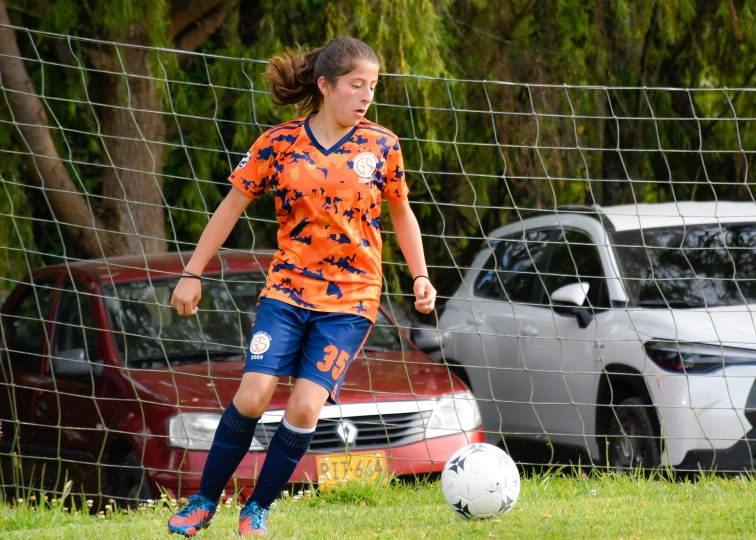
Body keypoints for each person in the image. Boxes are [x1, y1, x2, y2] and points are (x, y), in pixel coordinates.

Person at [167, 37, 436, 537]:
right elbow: (230, 208)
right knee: (253, 395)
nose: (366, 96)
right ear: (325, 86)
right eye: (356, 85)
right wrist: (192, 272)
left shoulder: (382, 145)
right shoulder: (279, 143)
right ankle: (203, 500)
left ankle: (257, 511)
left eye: (372, 87)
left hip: (352, 300)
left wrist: (421, 276)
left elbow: (402, 213)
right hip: (287, 293)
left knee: (306, 406)